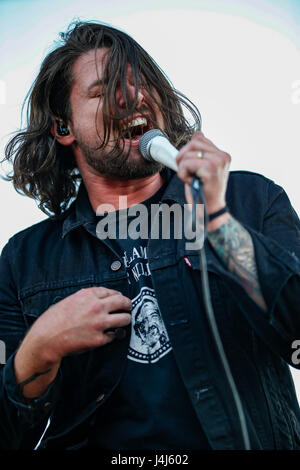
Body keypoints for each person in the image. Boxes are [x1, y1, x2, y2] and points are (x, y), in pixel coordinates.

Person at [0, 20, 299, 451]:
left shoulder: (251, 200)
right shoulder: (25, 259)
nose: (132, 97)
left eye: (141, 83)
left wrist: (221, 225)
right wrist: (39, 350)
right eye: (104, 91)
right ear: (64, 128)